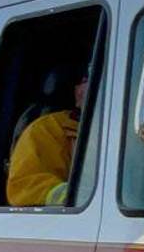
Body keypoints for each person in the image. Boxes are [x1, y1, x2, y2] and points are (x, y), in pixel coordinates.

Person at [6, 71, 87, 206]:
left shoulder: (129, 133)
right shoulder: (48, 129)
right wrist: (80, 196)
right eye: (84, 81)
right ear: (77, 91)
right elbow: (25, 187)